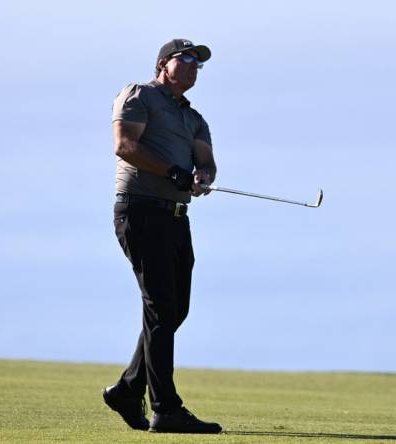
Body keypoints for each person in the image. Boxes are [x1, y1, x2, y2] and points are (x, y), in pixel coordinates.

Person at [101, 38, 221, 434]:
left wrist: (202, 176)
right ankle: (165, 408)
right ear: (162, 64)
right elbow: (125, 145)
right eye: (185, 59)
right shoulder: (140, 95)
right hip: (140, 210)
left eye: (197, 64)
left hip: (175, 217)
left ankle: (127, 389)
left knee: (173, 311)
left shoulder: (194, 118)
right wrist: (173, 172)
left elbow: (206, 161)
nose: (192, 67)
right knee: (159, 308)